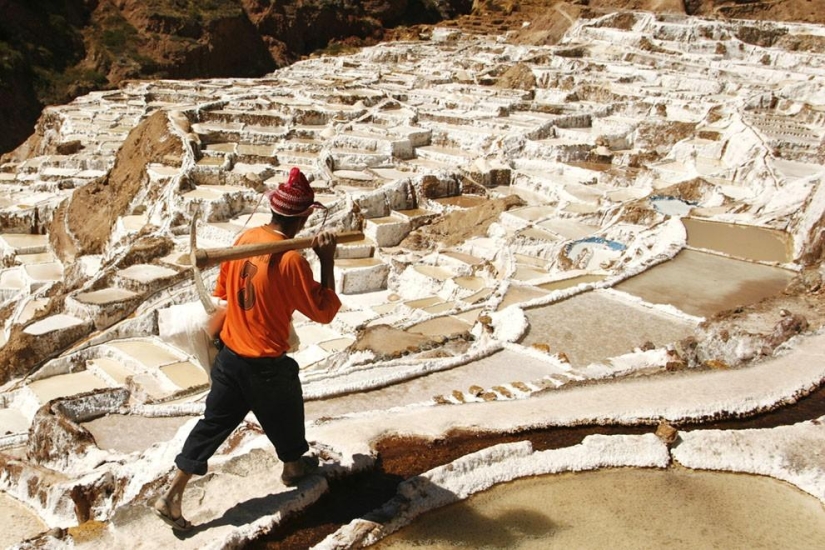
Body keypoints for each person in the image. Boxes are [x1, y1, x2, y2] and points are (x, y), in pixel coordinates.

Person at [152, 167, 341, 532]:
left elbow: (223, 293)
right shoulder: (291, 260)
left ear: (274, 210)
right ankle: (292, 465)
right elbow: (325, 312)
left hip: (230, 359)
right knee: (287, 403)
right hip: (265, 366)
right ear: (303, 217)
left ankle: (171, 494)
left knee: (212, 426)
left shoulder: (246, 239)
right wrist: (327, 259)